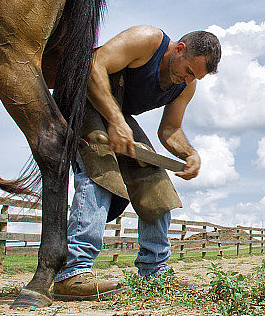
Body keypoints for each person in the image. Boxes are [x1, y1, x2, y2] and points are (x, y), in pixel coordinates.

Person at [51, 25, 221, 301]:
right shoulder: (147, 40)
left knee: (155, 183)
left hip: (118, 114)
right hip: (81, 96)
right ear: (179, 49)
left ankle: (153, 271)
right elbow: (94, 65)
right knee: (101, 172)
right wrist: (116, 121)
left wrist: (190, 153)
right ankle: (73, 273)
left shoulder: (185, 87)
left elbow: (170, 130)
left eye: (195, 78)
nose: (188, 80)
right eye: (189, 71)